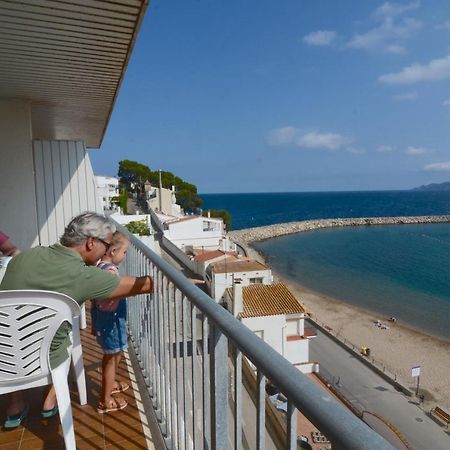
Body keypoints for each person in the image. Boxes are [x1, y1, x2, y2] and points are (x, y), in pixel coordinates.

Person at [0, 212, 153, 428]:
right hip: (43, 359)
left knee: (17, 333)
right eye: (107, 245)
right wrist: (181, 283)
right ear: (91, 243)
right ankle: (49, 399)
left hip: (5, 357)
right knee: (65, 336)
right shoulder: (83, 276)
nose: (106, 252)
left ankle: (14, 404)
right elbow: (142, 285)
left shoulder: (25, 257)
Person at [91, 231, 131, 413]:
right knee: (111, 358)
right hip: (112, 322)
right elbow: (115, 292)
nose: (125, 256)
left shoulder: (99, 265)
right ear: (113, 251)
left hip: (104, 319)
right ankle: (104, 400)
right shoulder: (110, 272)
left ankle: (111, 383)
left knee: (114, 354)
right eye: (124, 252)